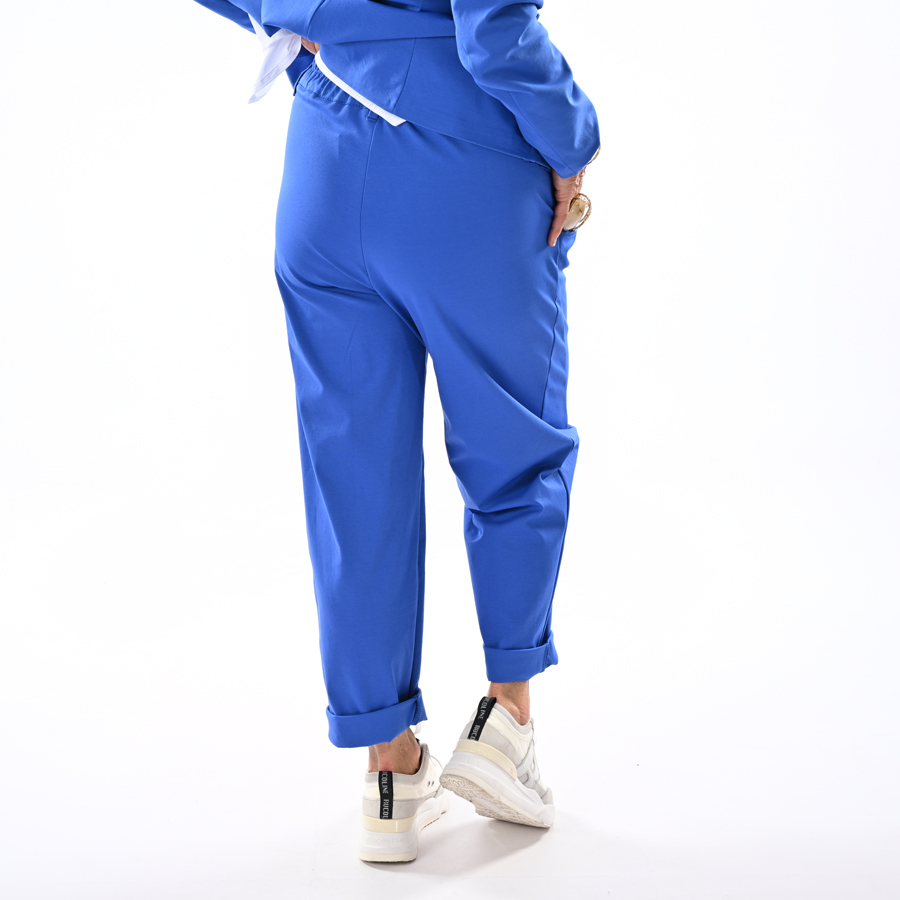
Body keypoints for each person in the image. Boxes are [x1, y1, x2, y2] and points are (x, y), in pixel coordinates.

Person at [192, 0, 600, 862]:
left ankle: (390, 768)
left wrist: (304, 18)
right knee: (514, 447)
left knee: (353, 475)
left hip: (323, 160)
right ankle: (507, 723)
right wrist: (573, 139)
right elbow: (493, 27)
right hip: (464, 154)